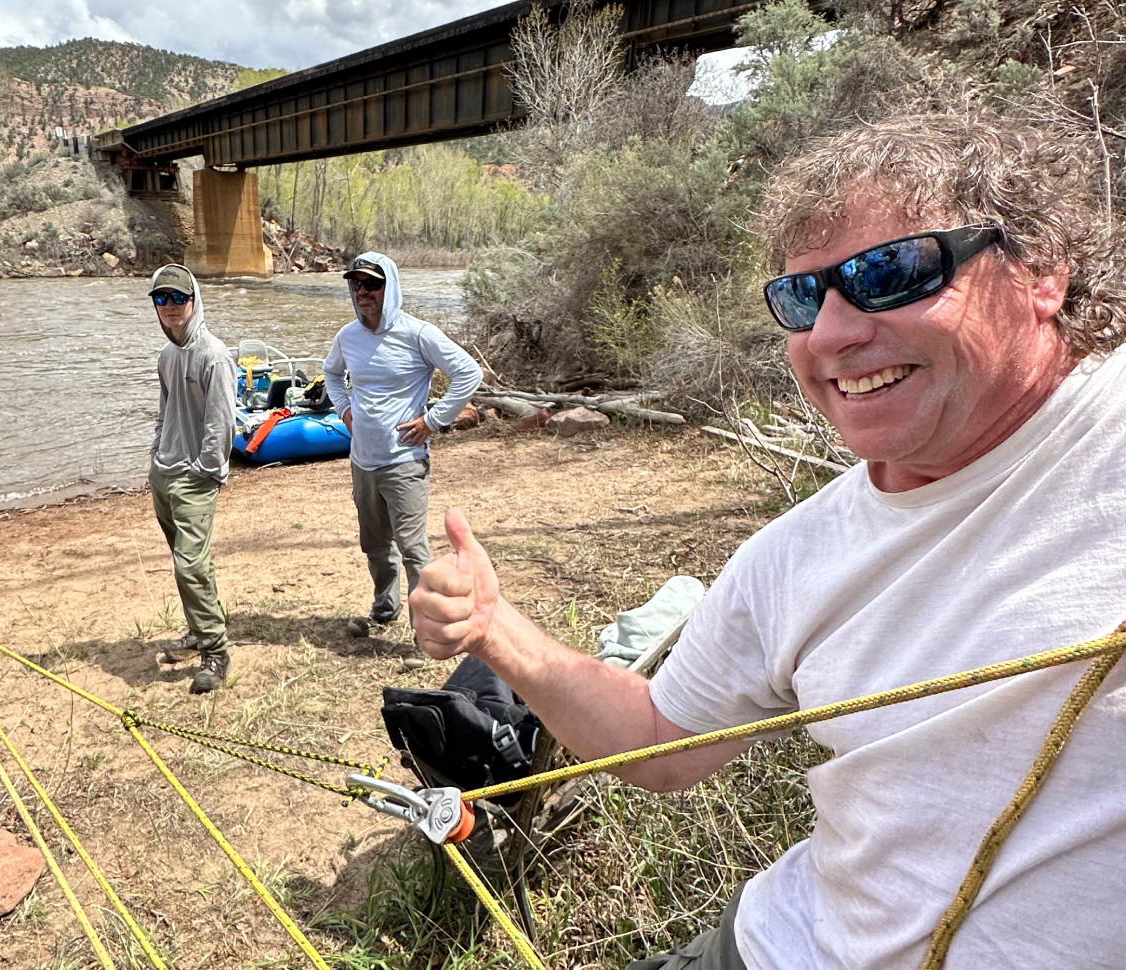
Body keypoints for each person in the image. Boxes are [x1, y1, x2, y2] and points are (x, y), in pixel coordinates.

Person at [410, 113, 1126, 970]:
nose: (829, 334)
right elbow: (662, 742)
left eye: (888, 273)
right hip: (774, 947)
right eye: (801, 297)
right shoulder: (791, 555)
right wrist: (496, 629)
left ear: (1040, 271)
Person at [322, 252, 482, 639]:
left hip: (404, 460)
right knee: (374, 543)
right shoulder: (348, 336)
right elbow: (330, 371)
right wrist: (343, 409)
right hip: (363, 460)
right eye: (357, 284)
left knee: (413, 547)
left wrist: (433, 420)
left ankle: (424, 628)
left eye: (372, 284)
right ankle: (385, 605)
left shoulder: (418, 333)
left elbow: (468, 372)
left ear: (389, 286)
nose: (363, 292)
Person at [148, 263, 237, 694]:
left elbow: (222, 424)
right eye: (161, 299)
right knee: (187, 563)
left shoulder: (214, 355)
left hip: (194, 478)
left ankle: (216, 652)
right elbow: (165, 412)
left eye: (178, 298)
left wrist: (205, 469)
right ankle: (199, 628)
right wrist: (155, 455)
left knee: (191, 564)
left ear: (194, 300)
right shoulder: (166, 356)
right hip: (163, 475)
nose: (170, 306)